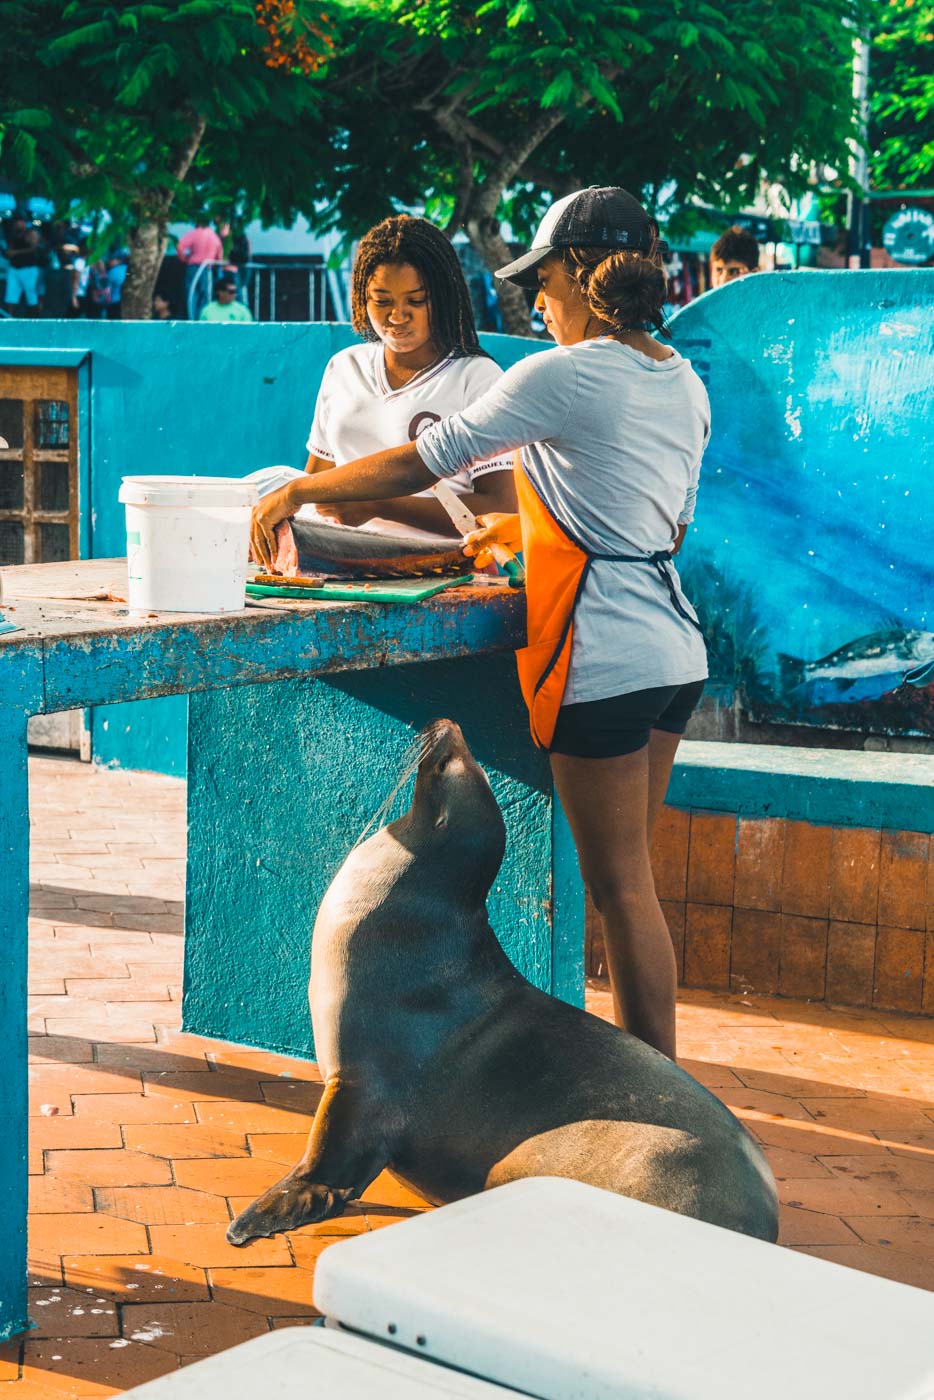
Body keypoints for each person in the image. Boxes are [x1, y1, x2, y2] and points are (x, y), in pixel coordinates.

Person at [250, 188, 709, 1061]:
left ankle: (657, 1093)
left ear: (582, 276)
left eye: (544, 281)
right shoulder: (680, 378)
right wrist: (525, 530)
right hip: (673, 648)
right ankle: (659, 1078)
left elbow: (429, 459)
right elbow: (659, 525)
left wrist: (303, 488)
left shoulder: (562, 372)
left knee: (618, 890)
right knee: (633, 886)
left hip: (604, 651)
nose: (536, 302)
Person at [246, 214, 515, 539]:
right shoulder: (344, 368)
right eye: (382, 301)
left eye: (416, 300)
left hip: (444, 572)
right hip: (345, 570)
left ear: (444, 296)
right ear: (363, 298)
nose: (397, 316)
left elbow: (503, 508)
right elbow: (315, 489)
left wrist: (380, 505)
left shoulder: (477, 378)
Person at [177, 217, 224, 319]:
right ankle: (203, 318)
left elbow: (180, 245)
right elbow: (219, 257)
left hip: (194, 267)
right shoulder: (214, 237)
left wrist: (184, 258)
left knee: (191, 293)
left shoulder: (194, 234)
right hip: (207, 269)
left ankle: (191, 318)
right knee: (205, 295)